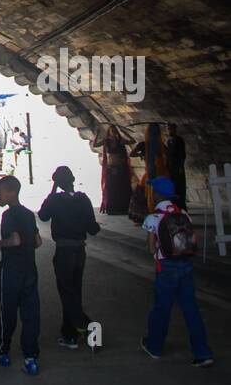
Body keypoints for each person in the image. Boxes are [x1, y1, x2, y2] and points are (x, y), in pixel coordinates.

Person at [140, 176, 213, 366]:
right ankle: (203, 353)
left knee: (161, 308)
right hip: (185, 265)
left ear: (156, 195)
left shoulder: (154, 217)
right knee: (191, 309)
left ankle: (154, 346)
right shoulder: (184, 215)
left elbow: (150, 248)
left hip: (166, 268)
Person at [37, 166, 99, 349]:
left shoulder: (55, 200)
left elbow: (42, 215)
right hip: (80, 251)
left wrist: (52, 191)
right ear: (73, 179)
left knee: (66, 294)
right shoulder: (83, 199)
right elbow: (93, 228)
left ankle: (90, 329)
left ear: (56, 182)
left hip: (64, 251)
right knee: (74, 292)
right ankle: (69, 333)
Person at [0, 175, 42, 375]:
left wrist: (0, 243)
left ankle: (1, 350)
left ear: (11, 193)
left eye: (0, 193)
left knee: (8, 312)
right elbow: (38, 241)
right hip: (30, 269)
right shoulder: (29, 214)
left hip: (12, 270)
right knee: (30, 314)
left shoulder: (8, 215)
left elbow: (15, 240)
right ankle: (31, 357)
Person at [91, 124, 134, 214]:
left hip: (121, 166)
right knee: (111, 187)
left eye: (114, 130)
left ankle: (123, 207)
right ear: (109, 132)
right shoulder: (106, 141)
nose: (113, 132)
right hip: (111, 167)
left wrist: (124, 133)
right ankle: (112, 208)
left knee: (121, 187)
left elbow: (132, 140)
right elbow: (95, 145)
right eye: (112, 130)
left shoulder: (120, 141)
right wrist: (97, 135)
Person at [165, 124, 187, 209]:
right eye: (169, 129)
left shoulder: (179, 140)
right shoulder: (169, 141)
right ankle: (174, 204)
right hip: (171, 167)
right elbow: (168, 155)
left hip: (177, 166)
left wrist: (181, 166)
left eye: (171, 129)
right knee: (173, 186)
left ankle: (181, 205)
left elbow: (182, 154)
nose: (170, 131)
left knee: (180, 186)